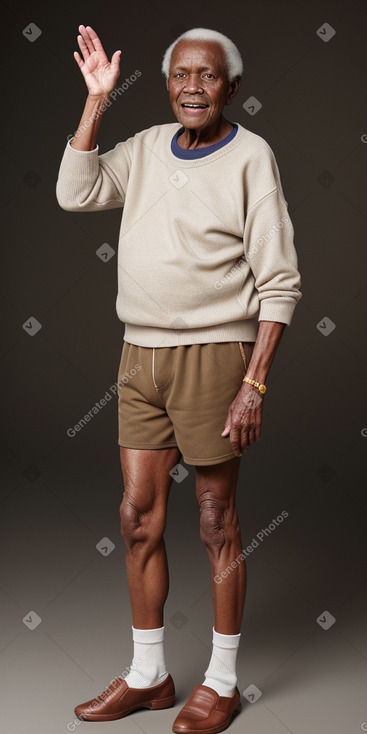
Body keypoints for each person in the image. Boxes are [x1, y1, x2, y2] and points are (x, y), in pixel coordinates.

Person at [56, 24, 302, 734]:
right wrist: (97, 101)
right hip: (139, 358)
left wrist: (252, 384)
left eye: (208, 76)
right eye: (180, 75)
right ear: (167, 84)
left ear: (231, 88)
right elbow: (76, 193)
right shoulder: (146, 146)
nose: (192, 86)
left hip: (215, 357)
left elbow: (279, 282)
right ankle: (149, 676)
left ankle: (220, 682)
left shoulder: (252, 157)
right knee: (137, 519)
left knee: (217, 521)